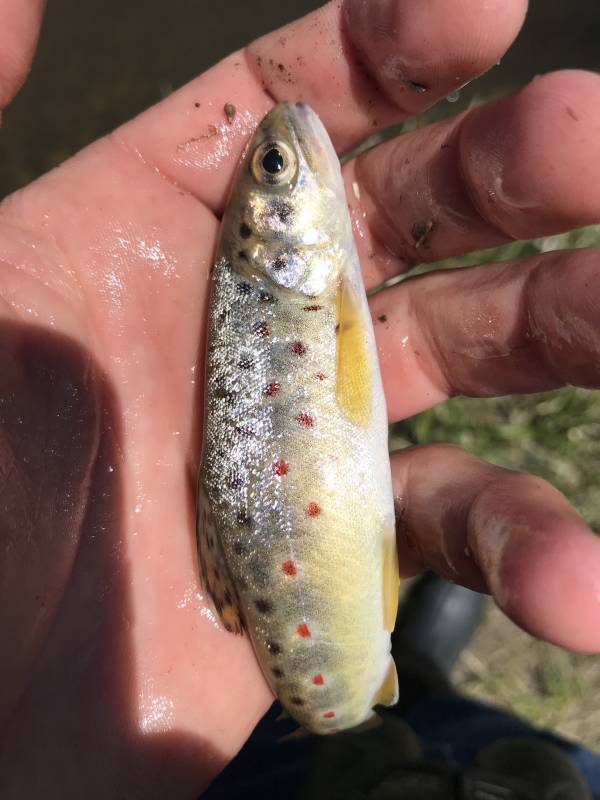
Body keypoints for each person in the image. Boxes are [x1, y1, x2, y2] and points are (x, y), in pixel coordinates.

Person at [0, 0, 599, 797]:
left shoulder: (287, 285)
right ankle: (412, 700)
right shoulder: (287, 283)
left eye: (270, 169)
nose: (283, 145)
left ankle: (402, 703)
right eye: (278, 174)